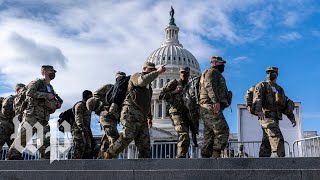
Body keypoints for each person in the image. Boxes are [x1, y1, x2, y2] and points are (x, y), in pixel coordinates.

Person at [104, 62, 166, 159]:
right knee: (126, 138)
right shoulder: (136, 76)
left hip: (142, 118)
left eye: (153, 70)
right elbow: (142, 81)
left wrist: (149, 117)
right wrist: (158, 72)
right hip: (131, 114)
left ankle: (144, 169)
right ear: (144, 68)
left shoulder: (149, 88)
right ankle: (107, 155)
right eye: (150, 70)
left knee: (145, 145)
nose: (152, 72)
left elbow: (147, 102)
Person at [7, 65, 63, 160]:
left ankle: (45, 163)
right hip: (32, 117)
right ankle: (11, 160)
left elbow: (49, 101)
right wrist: (46, 95)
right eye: (51, 71)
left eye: (54, 71)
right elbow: (29, 93)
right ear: (44, 72)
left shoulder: (50, 87)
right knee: (22, 140)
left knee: (45, 143)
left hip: (44, 118)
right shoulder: (37, 82)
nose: (53, 73)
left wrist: (56, 104)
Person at [254, 66, 296, 157]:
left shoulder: (279, 89)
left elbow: (284, 104)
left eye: (272, 72)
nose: (269, 74)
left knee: (267, 142)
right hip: (265, 116)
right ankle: (280, 162)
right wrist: (259, 110)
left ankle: (262, 163)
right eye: (268, 72)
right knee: (277, 136)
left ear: (277, 74)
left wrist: (292, 118)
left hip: (275, 117)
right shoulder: (262, 85)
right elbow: (257, 98)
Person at [199, 56, 231, 158]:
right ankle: (215, 155)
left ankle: (206, 159)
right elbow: (210, 86)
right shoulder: (211, 72)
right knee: (223, 130)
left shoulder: (217, 74)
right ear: (215, 63)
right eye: (221, 63)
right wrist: (216, 101)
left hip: (208, 106)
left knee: (209, 135)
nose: (223, 66)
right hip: (210, 106)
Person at [159, 67, 194, 158]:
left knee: (186, 136)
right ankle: (180, 157)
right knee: (184, 134)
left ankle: (185, 155)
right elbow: (161, 95)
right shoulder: (174, 83)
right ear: (179, 73)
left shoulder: (191, 85)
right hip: (176, 112)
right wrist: (175, 91)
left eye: (186, 73)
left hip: (186, 113)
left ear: (189, 74)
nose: (184, 75)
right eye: (182, 72)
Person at [94, 71, 127, 159]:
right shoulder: (109, 87)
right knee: (114, 137)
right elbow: (96, 94)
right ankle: (112, 160)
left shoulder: (123, 90)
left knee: (106, 140)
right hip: (106, 115)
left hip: (114, 117)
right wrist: (106, 103)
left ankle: (102, 158)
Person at [0, 84, 25, 152]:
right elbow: (5, 112)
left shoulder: (21, 102)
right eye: (23, 90)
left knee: (15, 151)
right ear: (17, 90)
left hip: (12, 129)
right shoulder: (11, 99)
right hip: (3, 127)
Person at [72, 90, 93, 159]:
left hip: (86, 130)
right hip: (78, 131)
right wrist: (82, 129)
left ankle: (86, 168)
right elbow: (78, 119)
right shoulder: (80, 105)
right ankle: (75, 168)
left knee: (88, 149)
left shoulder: (88, 106)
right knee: (79, 149)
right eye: (89, 97)